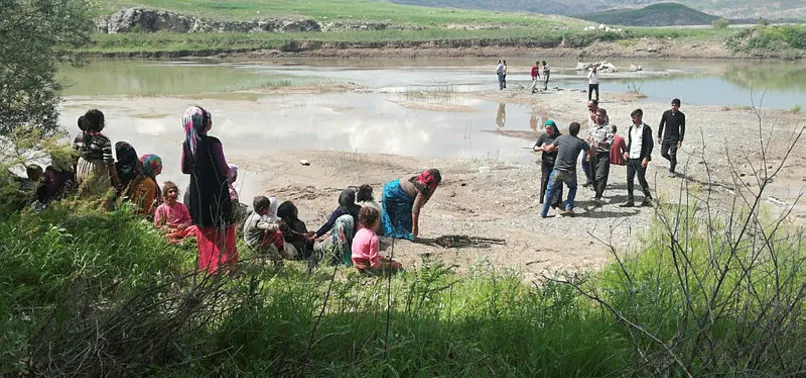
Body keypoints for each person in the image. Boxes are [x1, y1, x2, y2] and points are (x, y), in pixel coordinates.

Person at [181, 106, 237, 275]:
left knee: (205, 233)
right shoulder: (213, 143)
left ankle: (209, 267)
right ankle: (226, 268)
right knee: (223, 231)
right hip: (216, 195)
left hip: (198, 196)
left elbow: (185, 169)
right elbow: (224, 170)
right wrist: (232, 171)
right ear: (206, 124)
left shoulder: (187, 145)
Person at [540, 122, 594, 218]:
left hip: (557, 171)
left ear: (569, 129)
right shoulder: (581, 142)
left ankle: (543, 213)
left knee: (549, 191)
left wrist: (544, 146)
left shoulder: (561, 138)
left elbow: (548, 149)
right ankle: (569, 208)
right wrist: (592, 143)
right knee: (572, 188)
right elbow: (592, 153)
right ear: (578, 131)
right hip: (570, 172)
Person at [381, 169, 441, 240]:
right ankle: (400, 235)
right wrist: (415, 227)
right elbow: (415, 210)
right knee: (405, 216)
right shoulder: (423, 189)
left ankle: (387, 231)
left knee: (390, 215)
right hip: (394, 195)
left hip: (388, 187)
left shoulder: (417, 178)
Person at [72, 110, 119, 196]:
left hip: (81, 167)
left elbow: (73, 155)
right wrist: (116, 179)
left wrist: (75, 172)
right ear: (99, 124)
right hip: (96, 169)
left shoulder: (79, 136)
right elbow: (108, 161)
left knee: (85, 196)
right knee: (100, 195)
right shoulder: (104, 140)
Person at [314, 189, 362, 265]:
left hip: (340, 240)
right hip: (355, 239)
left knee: (316, 246)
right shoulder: (359, 209)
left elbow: (328, 225)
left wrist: (316, 234)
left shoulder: (339, 211)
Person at [352, 207, 402, 273]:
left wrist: (385, 260)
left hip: (356, 263)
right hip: (366, 268)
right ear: (376, 221)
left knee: (389, 261)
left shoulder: (359, 232)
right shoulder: (373, 238)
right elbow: (375, 264)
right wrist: (391, 265)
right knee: (397, 267)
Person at [244, 196, 292, 265]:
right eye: (267, 208)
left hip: (251, 239)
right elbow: (269, 227)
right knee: (274, 234)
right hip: (253, 243)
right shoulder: (257, 220)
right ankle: (279, 261)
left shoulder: (254, 214)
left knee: (277, 234)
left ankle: (281, 252)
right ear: (263, 209)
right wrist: (278, 225)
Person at [621, 109, 654, 207]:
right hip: (631, 157)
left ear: (640, 117)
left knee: (641, 178)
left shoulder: (646, 128)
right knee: (629, 178)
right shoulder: (631, 128)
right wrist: (626, 151)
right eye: (633, 117)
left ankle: (648, 197)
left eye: (636, 117)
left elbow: (649, 144)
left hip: (641, 158)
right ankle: (630, 200)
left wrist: (646, 157)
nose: (634, 119)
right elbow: (631, 142)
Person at [533, 120, 563, 209]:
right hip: (546, 162)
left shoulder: (559, 137)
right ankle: (542, 199)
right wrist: (542, 148)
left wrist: (553, 149)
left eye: (550, 129)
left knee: (557, 181)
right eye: (547, 129)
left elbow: (563, 147)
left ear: (554, 128)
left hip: (557, 163)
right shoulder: (543, 136)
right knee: (545, 180)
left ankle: (556, 202)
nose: (548, 131)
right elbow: (535, 147)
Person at [588, 108, 614, 202]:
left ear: (604, 117)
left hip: (603, 154)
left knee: (601, 175)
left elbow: (610, 141)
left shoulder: (608, 128)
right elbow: (589, 140)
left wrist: (602, 143)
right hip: (593, 154)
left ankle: (598, 195)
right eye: (597, 115)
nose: (598, 117)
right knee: (593, 176)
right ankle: (596, 192)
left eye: (600, 115)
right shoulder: (592, 128)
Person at [658, 98, 686, 178]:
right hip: (666, 137)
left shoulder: (681, 116)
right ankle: (673, 161)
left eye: (675, 106)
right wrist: (659, 136)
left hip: (675, 138)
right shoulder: (666, 113)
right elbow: (661, 124)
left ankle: (672, 170)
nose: (673, 107)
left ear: (678, 107)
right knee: (663, 153)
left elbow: (683, 128)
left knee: (673, 154)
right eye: (672, 105)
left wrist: (680, 140)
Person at [581, 100, 601, 187]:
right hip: (589, 140)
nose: (589, 108)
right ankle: (589, 179)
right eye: (588, 106)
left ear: (596, 106)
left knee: (593, 162)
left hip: (596, 141)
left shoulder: (601, 115)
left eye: (591, 106)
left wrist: (595, 120)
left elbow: (603, 128)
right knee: (584, 161)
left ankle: (595, 181)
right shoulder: (591, 114)